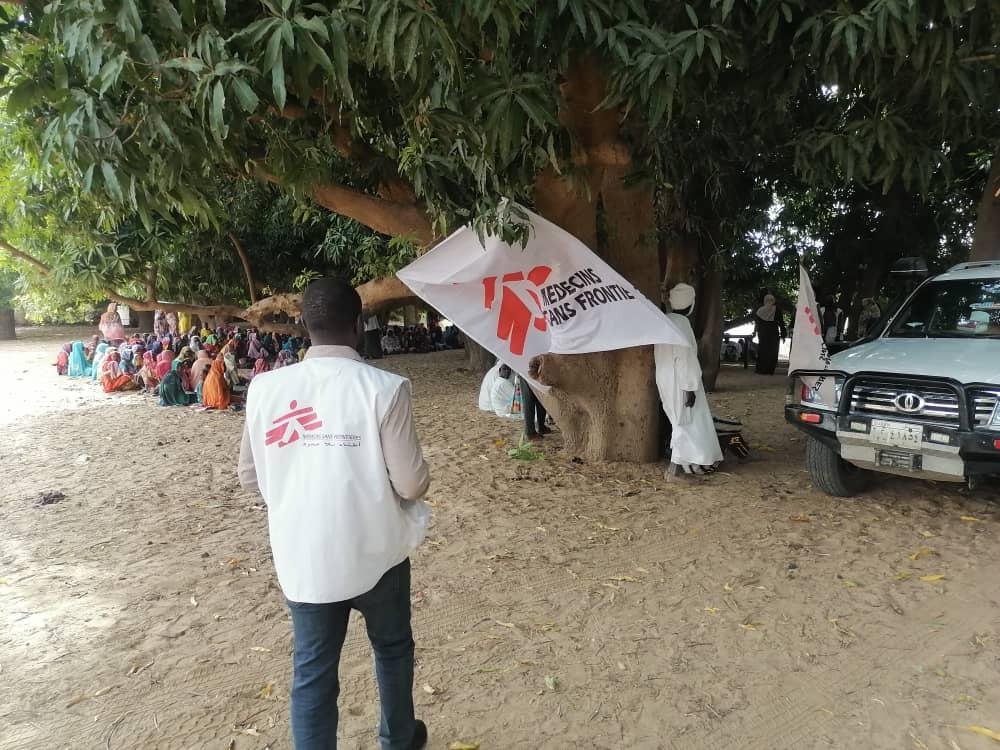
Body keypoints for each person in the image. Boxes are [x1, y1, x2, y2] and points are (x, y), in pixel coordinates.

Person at [238, 278, 430, 750]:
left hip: (304, 557)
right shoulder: (385, 388)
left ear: (304, 325)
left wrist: (302, 487)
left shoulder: (266, 388)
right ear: (358, 325)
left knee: (312, 674)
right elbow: (411, 483)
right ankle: (399, 738)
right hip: (377, 551)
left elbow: (248, 476)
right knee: (391, 649)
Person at [654, 283, 724, 478]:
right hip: (680, 380)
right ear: (690, 304)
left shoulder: (666, 320)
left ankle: (688, 463)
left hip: (666, 378)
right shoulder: (682, 324)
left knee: (680, 420)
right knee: (685, 421)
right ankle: (677, 468)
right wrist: (689, 387)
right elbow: (685, 358)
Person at [753, 293, 786, 375]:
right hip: (773, 332)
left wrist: (755, 332)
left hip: (763, 333)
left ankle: (760, 369)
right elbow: (781, 323)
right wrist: (783, 334)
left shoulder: (760, 310)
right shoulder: (777, 309)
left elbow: (757, 324)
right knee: (772, 351)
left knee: (762, 350)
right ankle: (770, 370)